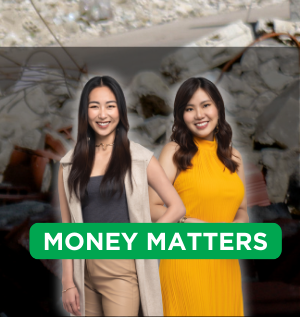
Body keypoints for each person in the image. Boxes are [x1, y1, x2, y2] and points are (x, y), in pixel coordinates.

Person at [58, 75, 185, 317]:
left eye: (110, 106)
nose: (102, 114)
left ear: (120, 111)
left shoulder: (139, 158)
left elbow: (177, 207)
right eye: (94, 106)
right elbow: (67, 228)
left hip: (122, 271)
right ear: (85, 112)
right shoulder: (69, 164)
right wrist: (67, 283)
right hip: (83, 272)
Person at [155, 77, 247, 316]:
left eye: (206, 105)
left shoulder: (234, 157)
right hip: (186, 264)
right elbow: (150, 206)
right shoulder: (174, 152)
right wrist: (186, 222)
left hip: (226, 266)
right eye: (189, 109)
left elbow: (242, 210)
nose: (199, 115)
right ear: (181, 115)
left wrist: (235, 230)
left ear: (218, 108)